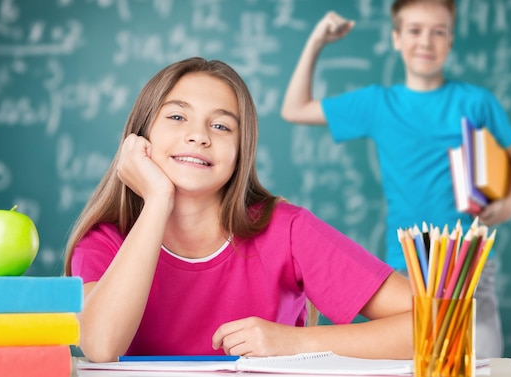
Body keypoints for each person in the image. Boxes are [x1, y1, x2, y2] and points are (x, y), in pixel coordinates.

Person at [63, 57, 413, 363]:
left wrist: (295, 342)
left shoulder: (285, 230)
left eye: (221, 126)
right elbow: (100, 346)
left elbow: (433, 322)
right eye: (177, 116)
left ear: (240, 152)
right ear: (141, 136)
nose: (199, 136)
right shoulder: (105, 241)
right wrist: (157, 201)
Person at [281, 0, 511, 359]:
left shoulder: (476, 102)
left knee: (479, 362)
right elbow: (295, 109)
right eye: (414, 31)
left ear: (450, 41)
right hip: (406, 266)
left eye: (438, 32)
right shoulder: (377, 104)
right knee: (415, 360)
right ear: (396, 38)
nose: (426, 42)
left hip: (469, 262)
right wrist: (317, 41)